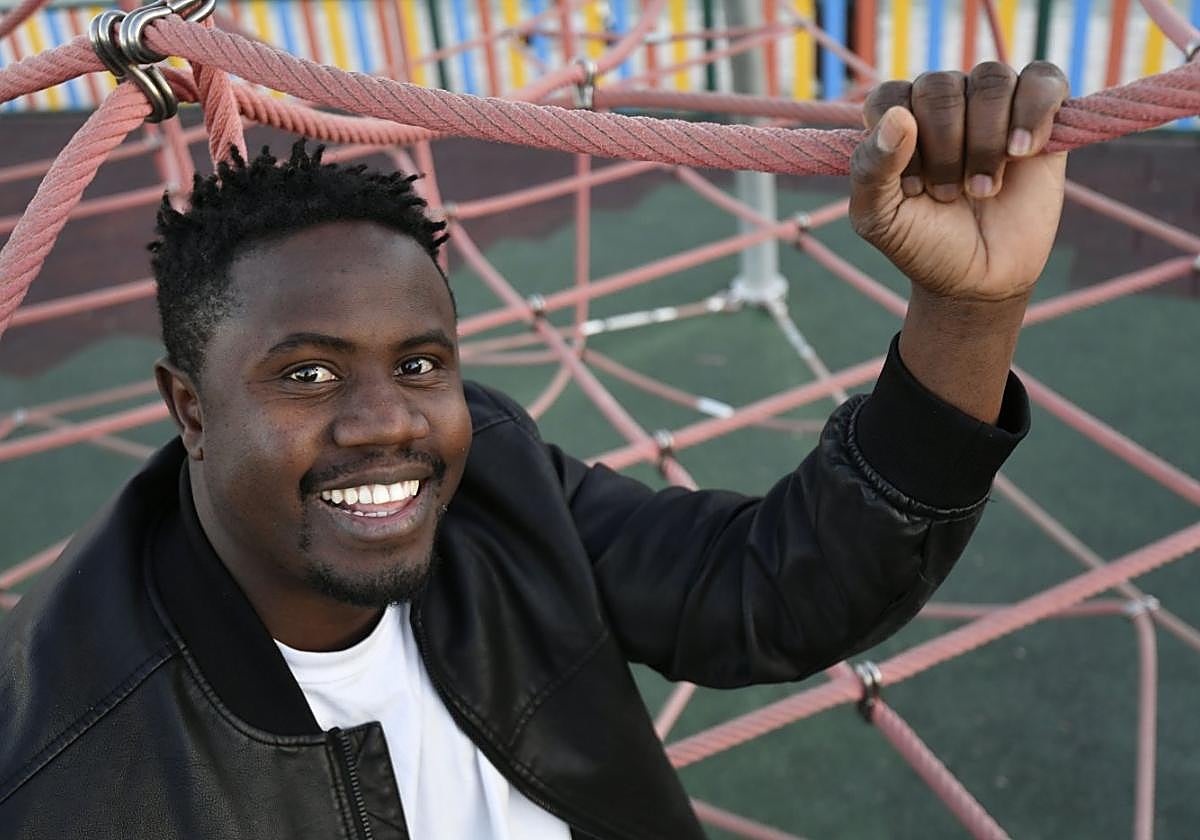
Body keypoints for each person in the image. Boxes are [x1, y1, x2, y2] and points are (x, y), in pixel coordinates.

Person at [0, 60, 1068, 839]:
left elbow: (772, 594)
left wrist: (970, 311)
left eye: (420, 363)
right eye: (310, 374)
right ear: (188, 409)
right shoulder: (74, 763)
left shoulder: (493, 482)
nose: (388, 423)